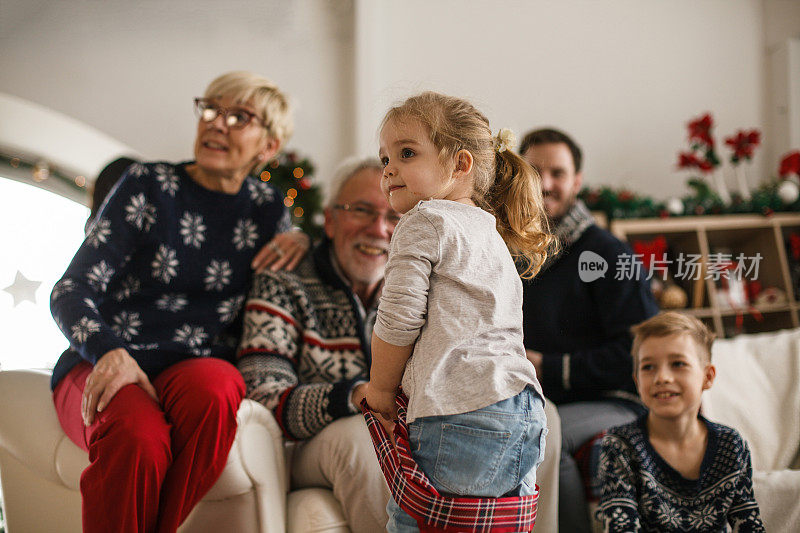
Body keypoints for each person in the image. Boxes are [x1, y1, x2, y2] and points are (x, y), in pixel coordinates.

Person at [49, 71, 307, 533]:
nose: (217, 123)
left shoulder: (269, 211)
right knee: (137, 438)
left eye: (239, 117)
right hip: (106, 356)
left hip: (194, 367)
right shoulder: (147, 185)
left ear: (268, 147)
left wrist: (302, 241)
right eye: (210, 108)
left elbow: (306, 280)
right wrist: (111, 353)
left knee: (218, 388)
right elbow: (70, 290)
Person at [365, 92, 553, 532]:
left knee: (413, 524)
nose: (389, 168)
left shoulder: (425, 220)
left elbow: (398, 319)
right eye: (384, 158)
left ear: (461, 164)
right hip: (523, 411)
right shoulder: (490, 234)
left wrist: (378, 391)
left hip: (459, 411)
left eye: (406, 153)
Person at [237, 157, 396, 532]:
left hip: (396, 433)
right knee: (360, 439)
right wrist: (353, 396)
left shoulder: (414, 289)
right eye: (362, 210)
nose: (379, 229)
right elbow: (263, 396)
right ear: (330, 220)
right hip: (305, 446)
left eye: (394, 217)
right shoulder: (284, 281)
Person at [518, 127, 659, 532]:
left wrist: (549, 366)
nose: (545, 184)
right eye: (534, 171)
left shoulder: (610, 253)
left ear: (577, 182)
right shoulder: (513, 252)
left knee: (545, 439)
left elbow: (640, 353)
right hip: (540, 399)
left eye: (558, 173)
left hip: (614, 401)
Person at [596, 312, 765, 531]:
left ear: (708, 376)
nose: (662, 377)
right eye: (648, 367)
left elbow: (749, 525)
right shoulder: (619, 445)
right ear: (637, 381)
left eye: (678, 364)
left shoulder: (731, 444)